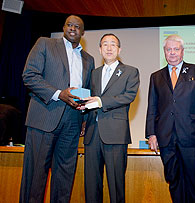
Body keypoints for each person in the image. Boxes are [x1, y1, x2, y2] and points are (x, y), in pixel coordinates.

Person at [20, 15, 95, 202]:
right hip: (44, 117)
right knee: (35, 176)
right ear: (63, 27)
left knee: (64, 178)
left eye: (77, 26)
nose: (73, 28)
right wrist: (59, 93)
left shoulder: (89, 59)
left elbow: (87, 91)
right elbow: (29, 75)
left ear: (83, 32)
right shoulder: (45, 44)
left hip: (72, 123)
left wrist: (84, 118)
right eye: (69, 25)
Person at [145, 34, 195, 203]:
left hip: (192, 136)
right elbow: (152, 107)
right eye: (169, 49)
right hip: (166, 138)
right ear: (164, 52)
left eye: (176, 49)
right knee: (173, 180)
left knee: (194, 180)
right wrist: (151, 134)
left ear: (182, 51)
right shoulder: (156, 77)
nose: (172, 53)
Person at [81, 33, 140, 203]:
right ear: (99, 49)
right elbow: (89, 99)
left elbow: (128, 96)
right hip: (92, 134)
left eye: (113, 44)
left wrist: (100, 101)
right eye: (105, 44)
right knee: (91, 185)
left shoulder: (130, 71)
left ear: (119, 49)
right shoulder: (93, 73)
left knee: (116, 185)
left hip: (115, 134)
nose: (108, 48)